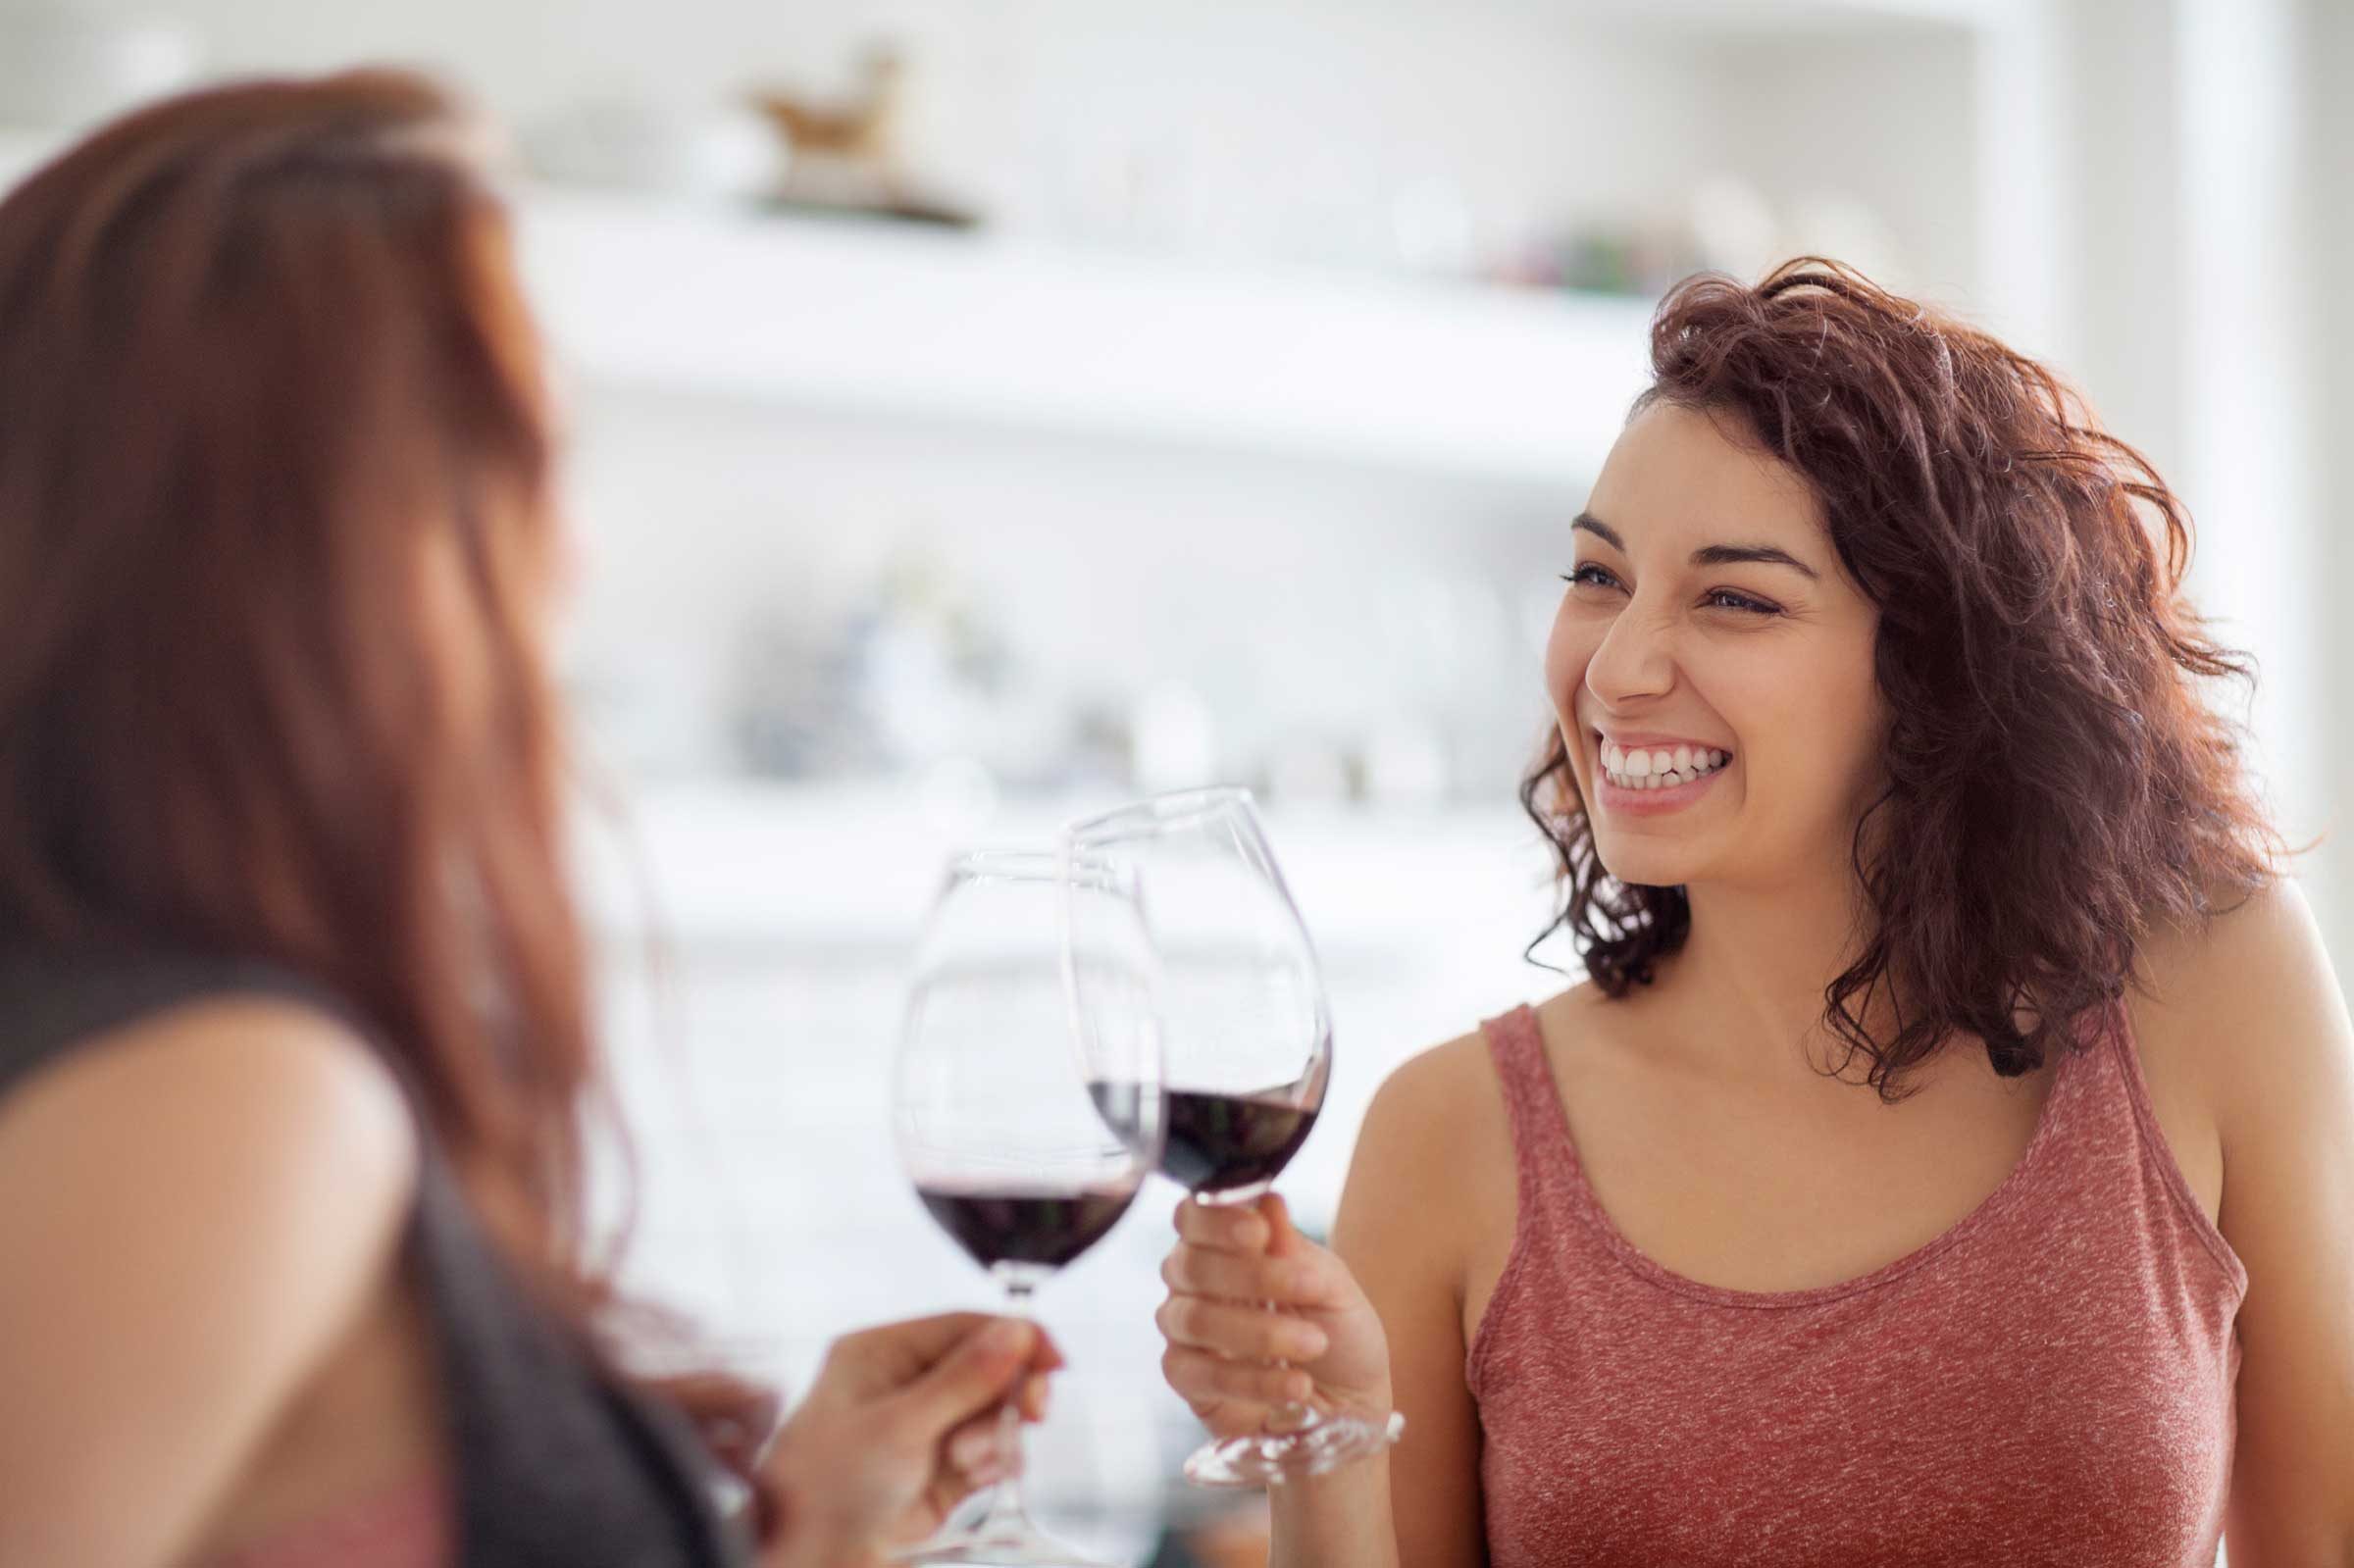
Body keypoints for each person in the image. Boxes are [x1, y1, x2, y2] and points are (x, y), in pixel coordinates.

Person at [0, 72, 1057, 1568]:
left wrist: (801, 1539)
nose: (572, 551)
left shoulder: (179, 1052)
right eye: (522, 455)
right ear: (323, 539)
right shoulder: (238, 1101)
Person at [1155, 261, 2354, 1563]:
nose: (1617, 669)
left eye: (1734, 598)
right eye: (1597, 576)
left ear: (1938, 662)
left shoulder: (2207, 987)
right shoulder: (1451, 1136)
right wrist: (1327, 1432)